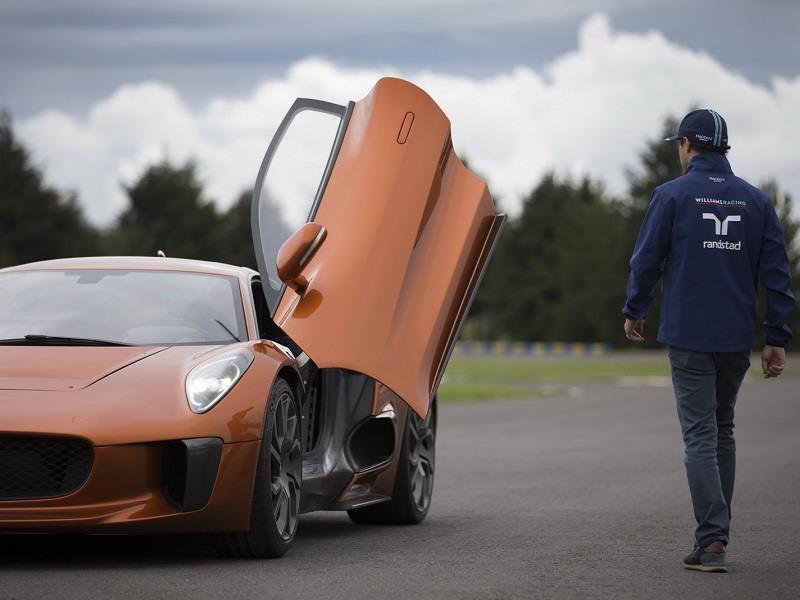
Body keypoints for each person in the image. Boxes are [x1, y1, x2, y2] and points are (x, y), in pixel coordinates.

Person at [622, 108, 796, 573]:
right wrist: (777, 337)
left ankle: (712, 539)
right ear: (724, 148)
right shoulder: (757, 201)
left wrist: (635, 309)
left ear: (686, 145)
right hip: (736, 338)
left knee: (700, 434)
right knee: (723, 430)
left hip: (689, 335)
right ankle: (715, 536)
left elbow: (646, 259)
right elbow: (778, 277)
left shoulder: (671, 195)